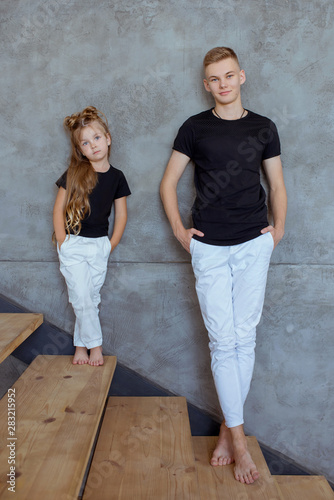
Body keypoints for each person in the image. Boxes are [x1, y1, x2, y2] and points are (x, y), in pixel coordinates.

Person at [160, 47, 287, 484]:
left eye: (229, 75)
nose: (223, 84)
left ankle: (226, 432)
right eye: (214, 78)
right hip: (209, 247)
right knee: (222, 342)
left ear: (242, 77)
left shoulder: (263, 127)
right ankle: (240, 440)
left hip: (254, 243)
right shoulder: (194, 128)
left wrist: (278, 231)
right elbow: (167, 183)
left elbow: (277, 183)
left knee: (244, 339)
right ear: (206, 84)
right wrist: (181, 231)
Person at [53, 106, 131, 367]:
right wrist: (63, 241)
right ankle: (95, 347)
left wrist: (112, 244)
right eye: (85, 143)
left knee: (90, 298)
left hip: (99, 246)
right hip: (73, 245)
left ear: (107, 138)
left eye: (96, 138)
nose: (93, 145)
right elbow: (58, 208)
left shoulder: (117, 177)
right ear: (81, 150)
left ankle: (79, 348)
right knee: (81, 297)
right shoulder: (74, 174)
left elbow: (121, 215)